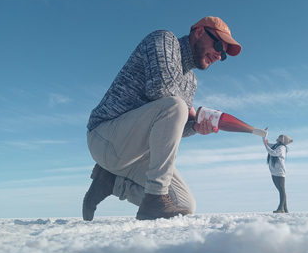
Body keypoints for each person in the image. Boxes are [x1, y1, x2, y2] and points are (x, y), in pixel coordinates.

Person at [82, 16, 242, 221]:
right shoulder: (164, 40)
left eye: (224, 55)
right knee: (176, 105)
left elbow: (168, 127)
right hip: (104, 138)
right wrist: (190, 112)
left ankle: (112, 182)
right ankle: (155, 199)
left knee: (185, 205)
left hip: (134, 155)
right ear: (199, 32)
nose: (219, 56)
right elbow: (160, 89)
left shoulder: (191, 82)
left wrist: (195, 126)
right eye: (219, 45)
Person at [263, 135, 293, 213]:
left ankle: (281, 208)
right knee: (280, 189)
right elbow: (267, 144)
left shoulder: (281, 148)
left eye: (280, 137)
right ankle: (285, 208)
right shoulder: (276, 145)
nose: (278, 137)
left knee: (281, 189)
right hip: (274, 171)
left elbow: (273, 153)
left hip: (279, 171)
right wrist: (263, 135)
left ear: (282, 140)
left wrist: (266, 146)